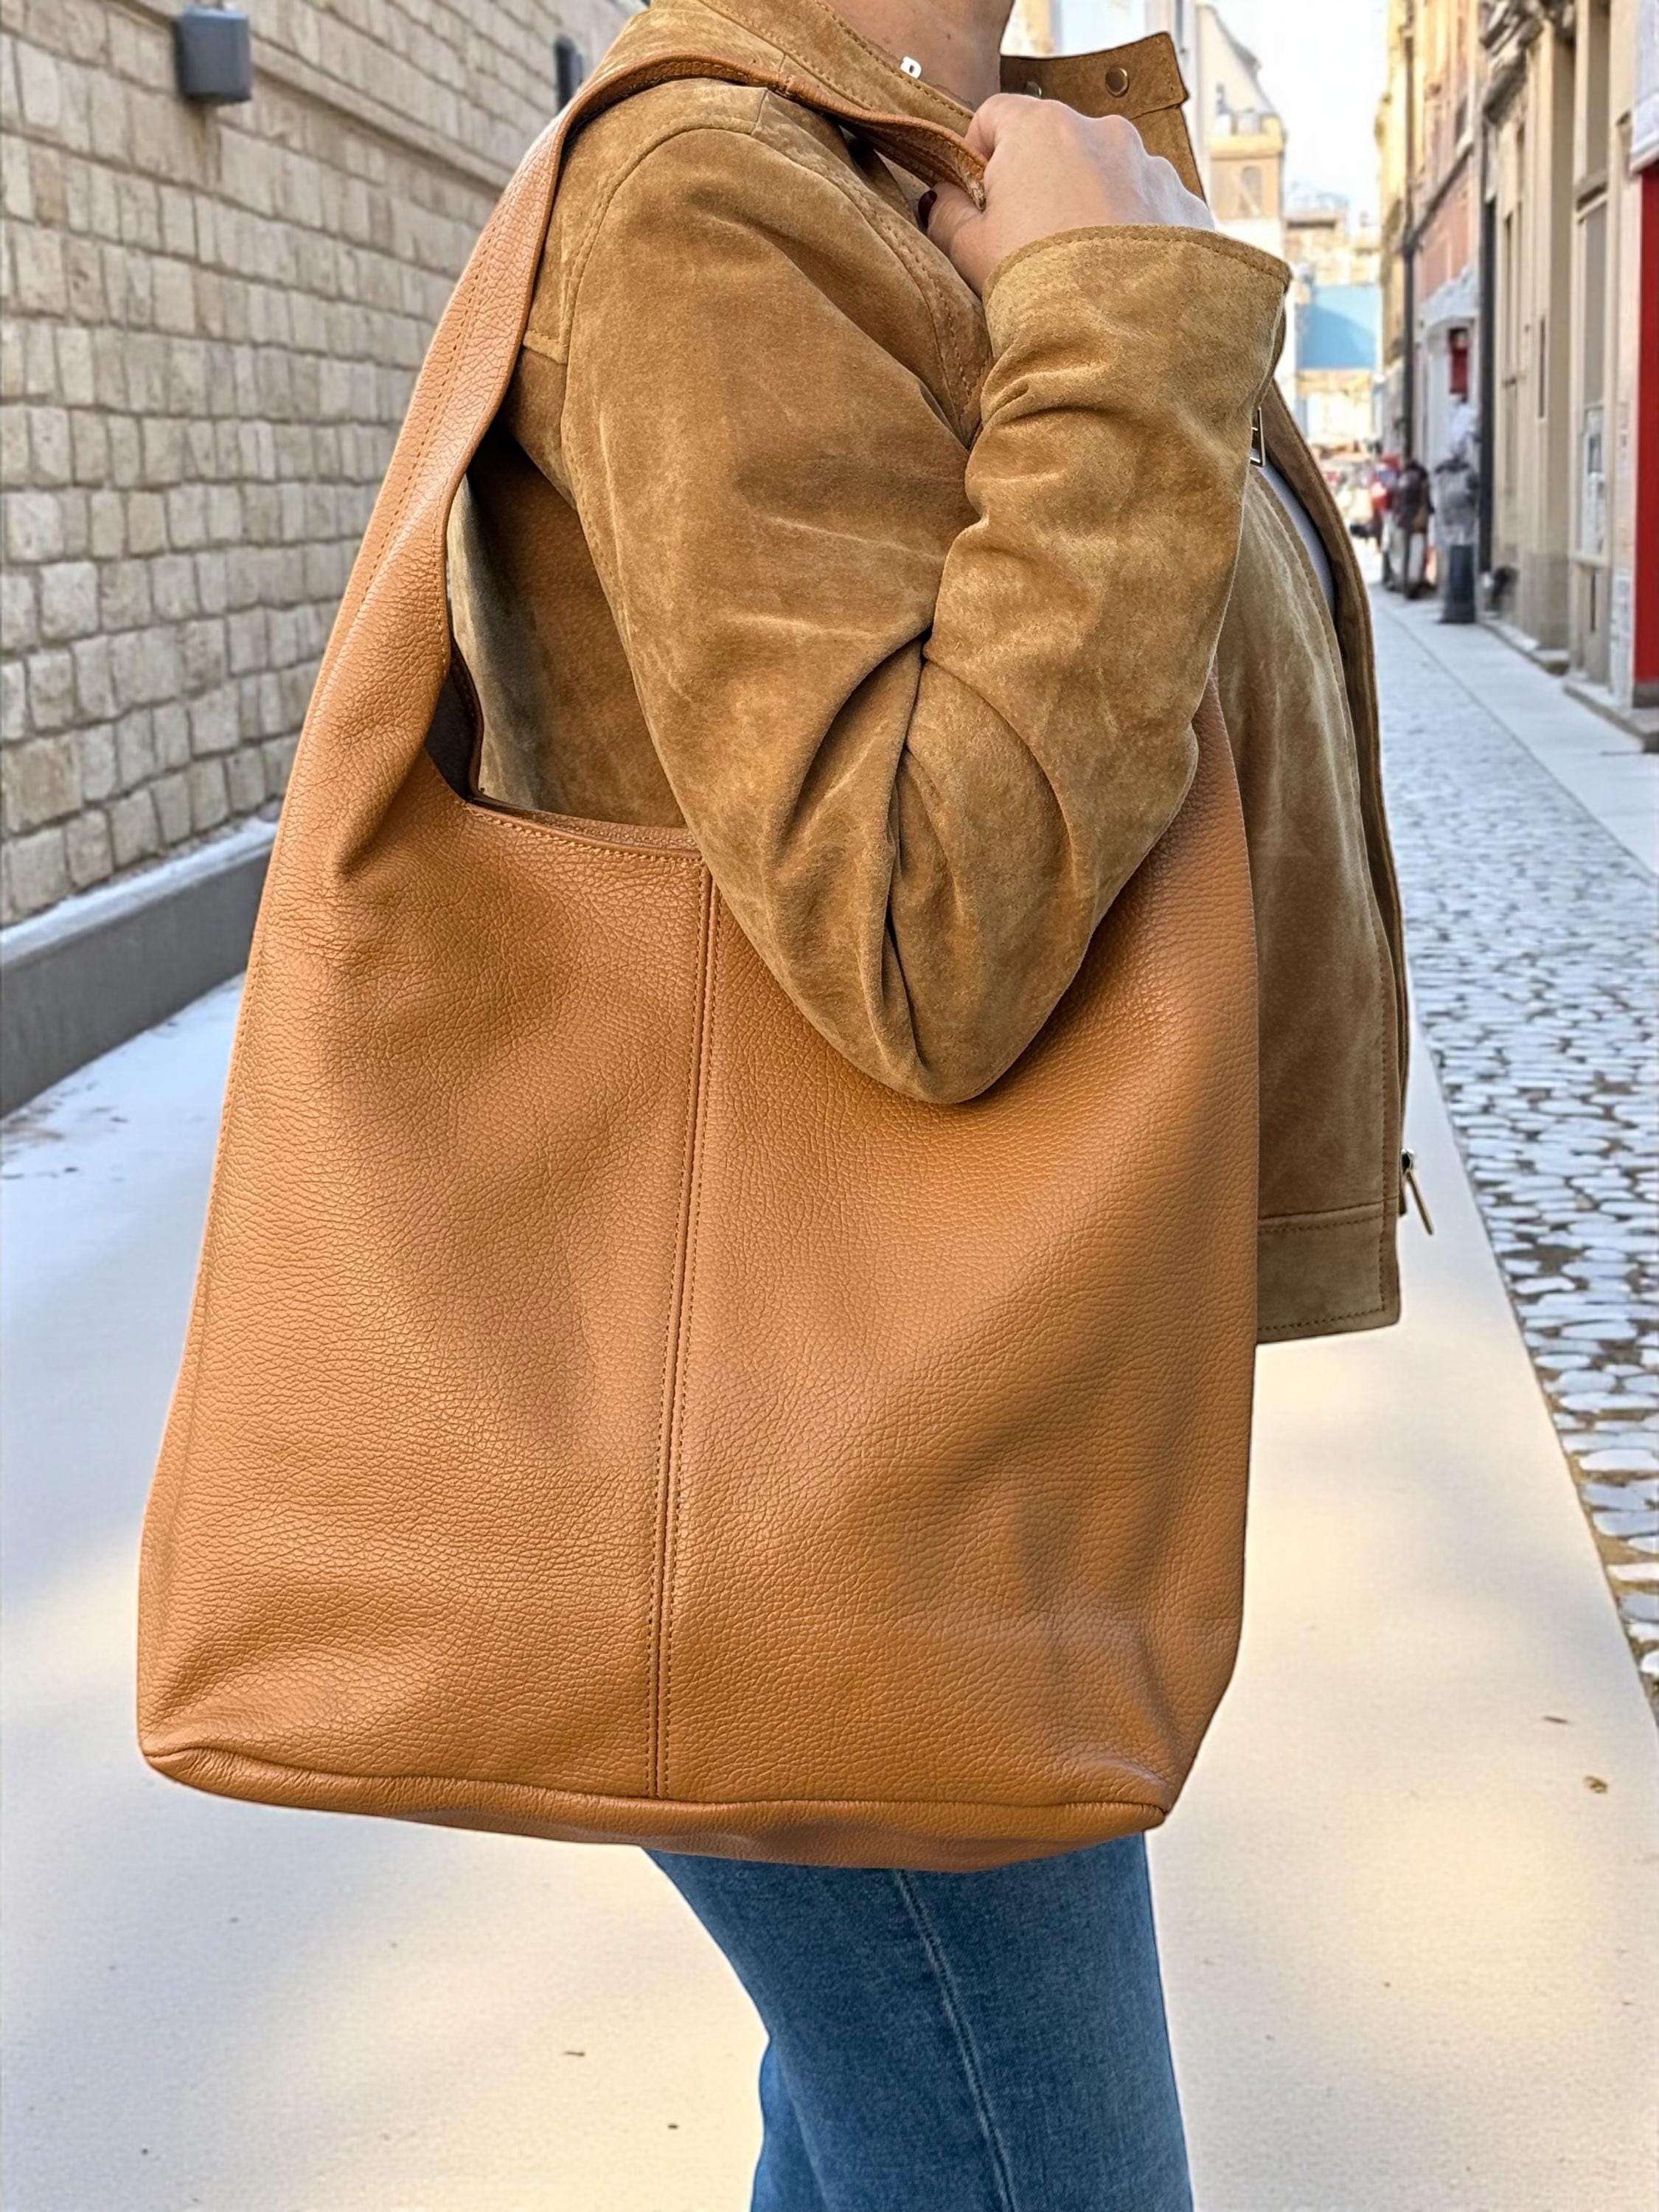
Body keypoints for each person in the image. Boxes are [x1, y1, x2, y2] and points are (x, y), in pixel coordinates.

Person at [449, 0, 1406, 2202]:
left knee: (886, 2132)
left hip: (938, 1421)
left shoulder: (915, 174)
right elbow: (921, 938)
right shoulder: (717, 198)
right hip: (838, 1483)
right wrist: (1110, 315)